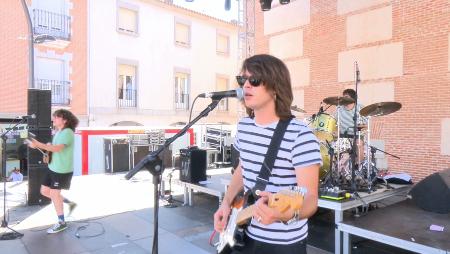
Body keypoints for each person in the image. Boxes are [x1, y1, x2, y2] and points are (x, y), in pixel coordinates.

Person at [213, 54, 322, 254]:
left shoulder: (300, 134)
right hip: (244, 234)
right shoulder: (244, 126)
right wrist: (226, 203)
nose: (245, 86)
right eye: (242, 80)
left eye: (254, 80)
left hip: (283, 244)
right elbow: (243, 168)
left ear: (274, 87)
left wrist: (282, 215)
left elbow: (311, 199)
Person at [27, 109, 78, 234]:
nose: (53, 119)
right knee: (44, 191)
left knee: (54, 194)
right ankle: (67, 203)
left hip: (62, 170)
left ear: (64, 120)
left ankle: (61, 222)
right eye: (53, 117)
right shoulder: (57, 132)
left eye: (56, 117)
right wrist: (47, 153)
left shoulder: (68, 132)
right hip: (53, 167)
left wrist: (38, 144)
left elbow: (58, 148)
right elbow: (52, 148)